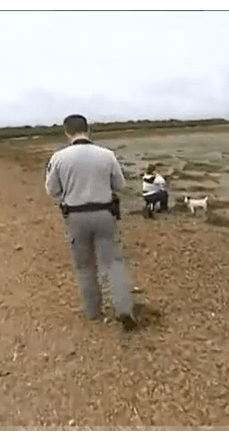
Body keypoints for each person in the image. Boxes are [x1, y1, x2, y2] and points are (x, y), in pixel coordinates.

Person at [45, 114, 137, 332]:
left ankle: (93, 310)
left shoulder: (58, 158)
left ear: (66, 132)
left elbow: (52, 190)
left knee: (84, 265)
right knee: (113, 263)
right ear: (88, 129)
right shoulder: (107, 154)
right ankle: (123, 308)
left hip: (75, 215)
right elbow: (120, 184)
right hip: (104, 213)